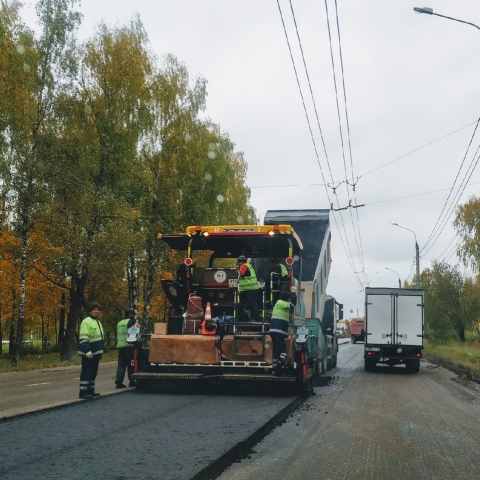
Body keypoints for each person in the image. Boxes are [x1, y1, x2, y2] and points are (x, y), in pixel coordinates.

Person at [78, 303, 104, 399]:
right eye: (94, 309)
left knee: (93, 372)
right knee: (87, 371)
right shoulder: (86, 322)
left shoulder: (97, 322)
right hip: (88, 353)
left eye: (97, 309)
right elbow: (84, 338)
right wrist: (87, 350)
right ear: (90, 311)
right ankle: (83, 392)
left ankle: (91, 390)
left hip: (95, 352)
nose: (96, 311)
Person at [268, 290, 294, 373]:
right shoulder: (282, 303)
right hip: (279, 329)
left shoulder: (277, 303)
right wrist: (294, 295)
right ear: (287, 298)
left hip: (274, 329)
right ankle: (278, 362)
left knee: (279, 345)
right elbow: (292, 306)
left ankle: (277, 362)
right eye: (289, 299)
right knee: (279, 346)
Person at [115, 309, 137, 388]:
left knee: (121, 365)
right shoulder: (130, 322)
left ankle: (118, 382)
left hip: (121, 346)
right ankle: (132, 381)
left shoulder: (119, 323)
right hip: (128, 345)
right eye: (133, 315)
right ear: (130, 315)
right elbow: (134, 333)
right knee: (131, 364)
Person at [237, 255, 260, 321]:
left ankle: (255, 318)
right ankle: (254, 317)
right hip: (252, 288)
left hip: (250, 288)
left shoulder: (244, 266)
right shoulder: (249, 266)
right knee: (253, 304)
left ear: (241, 262)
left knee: (252, 304)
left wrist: (238, 272)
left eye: (239, 262)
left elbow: (242, 273)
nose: (238, 263)